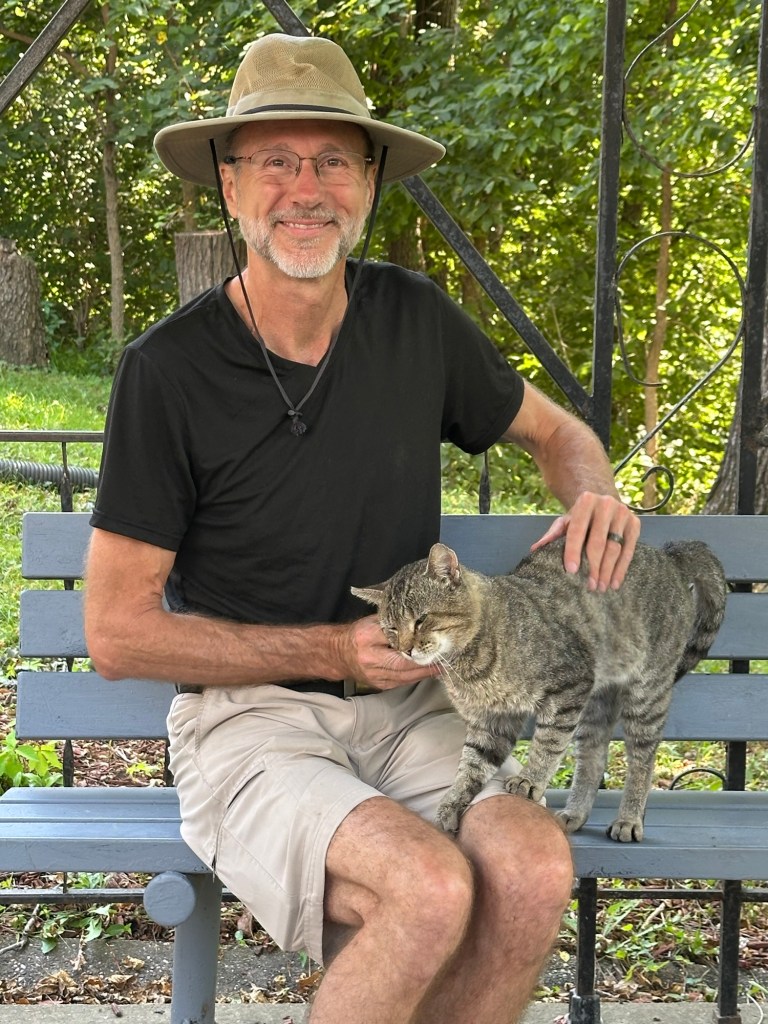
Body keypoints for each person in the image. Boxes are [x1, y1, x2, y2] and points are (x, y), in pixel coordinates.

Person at [84, 32, 640, 1024]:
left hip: (416, 715)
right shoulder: (165, 373)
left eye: (334, 159)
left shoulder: (413, 320)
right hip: (247, 724)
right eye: (275, 160)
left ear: (371, 179)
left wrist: (591, 491)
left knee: (526, 863)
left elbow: (558, 434)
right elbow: (117, 632)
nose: (307, 187)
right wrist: (333, 646)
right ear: (228, 183)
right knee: (425, 889)